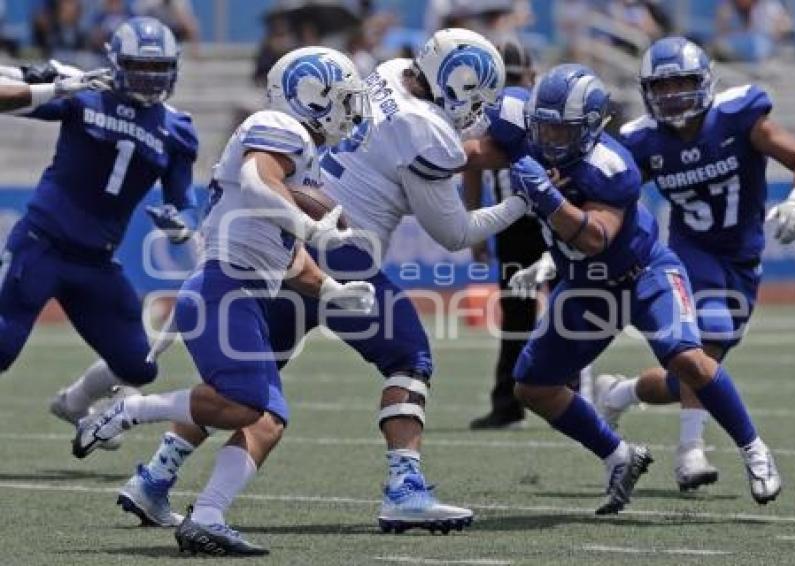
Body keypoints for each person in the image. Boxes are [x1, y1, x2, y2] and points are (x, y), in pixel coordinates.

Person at [108, 27, 528, 536]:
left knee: (245, 383)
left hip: (292, 246)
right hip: (342, 248)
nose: (476, 110)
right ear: (461, 85)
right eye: (476, 96)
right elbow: (454, 233)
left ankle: (156, 476)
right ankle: (405, 488)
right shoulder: (430, 132)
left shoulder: (393, 73)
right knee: (408, 356)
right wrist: (520, 204)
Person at [74, 46, 377, 557]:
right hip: (222, 291)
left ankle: (208, 516)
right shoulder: (281, 128)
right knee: (244, 405)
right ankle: (131, 409)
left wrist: (332, 289)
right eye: (343, 100)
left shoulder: (298, 154)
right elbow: (260, 181)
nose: (349, 113)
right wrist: (307, 223)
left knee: (267, 418)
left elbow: (287, 260)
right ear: (314, 95)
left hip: (239, 293)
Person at [595, 36, 795, 493]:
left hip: (742, 256)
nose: (674, 94)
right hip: (690, 253)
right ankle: (690, 451)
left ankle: (620, 392)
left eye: (682, 83)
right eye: (663, 86)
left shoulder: (739, 118)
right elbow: (608, 197)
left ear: (704, 83)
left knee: (695, 374)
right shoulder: (643, 140)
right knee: (708, 342)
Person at [0, 18, 200, 440]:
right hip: (42, 245)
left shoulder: (177, 128)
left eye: (158, 67)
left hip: (96, 262)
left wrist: (181, 226)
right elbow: (12, 101)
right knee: (2, 346)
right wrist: (52, 85)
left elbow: (184, 202)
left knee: (138, 365)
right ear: (115, 63)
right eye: (139, 66)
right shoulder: (86, 93)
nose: (149, 77)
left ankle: (74, 401)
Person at [464, 37, 552, 430]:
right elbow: (472, 165)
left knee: (573, 307)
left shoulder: (548, 108)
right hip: (512, 221)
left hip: (553, 216)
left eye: (518, 77)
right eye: (508, 78)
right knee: (517, 314)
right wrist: (475, 227)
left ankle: (570, 395)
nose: (514, 84)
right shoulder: (489, 114)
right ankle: (508, 402)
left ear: (532, 76)